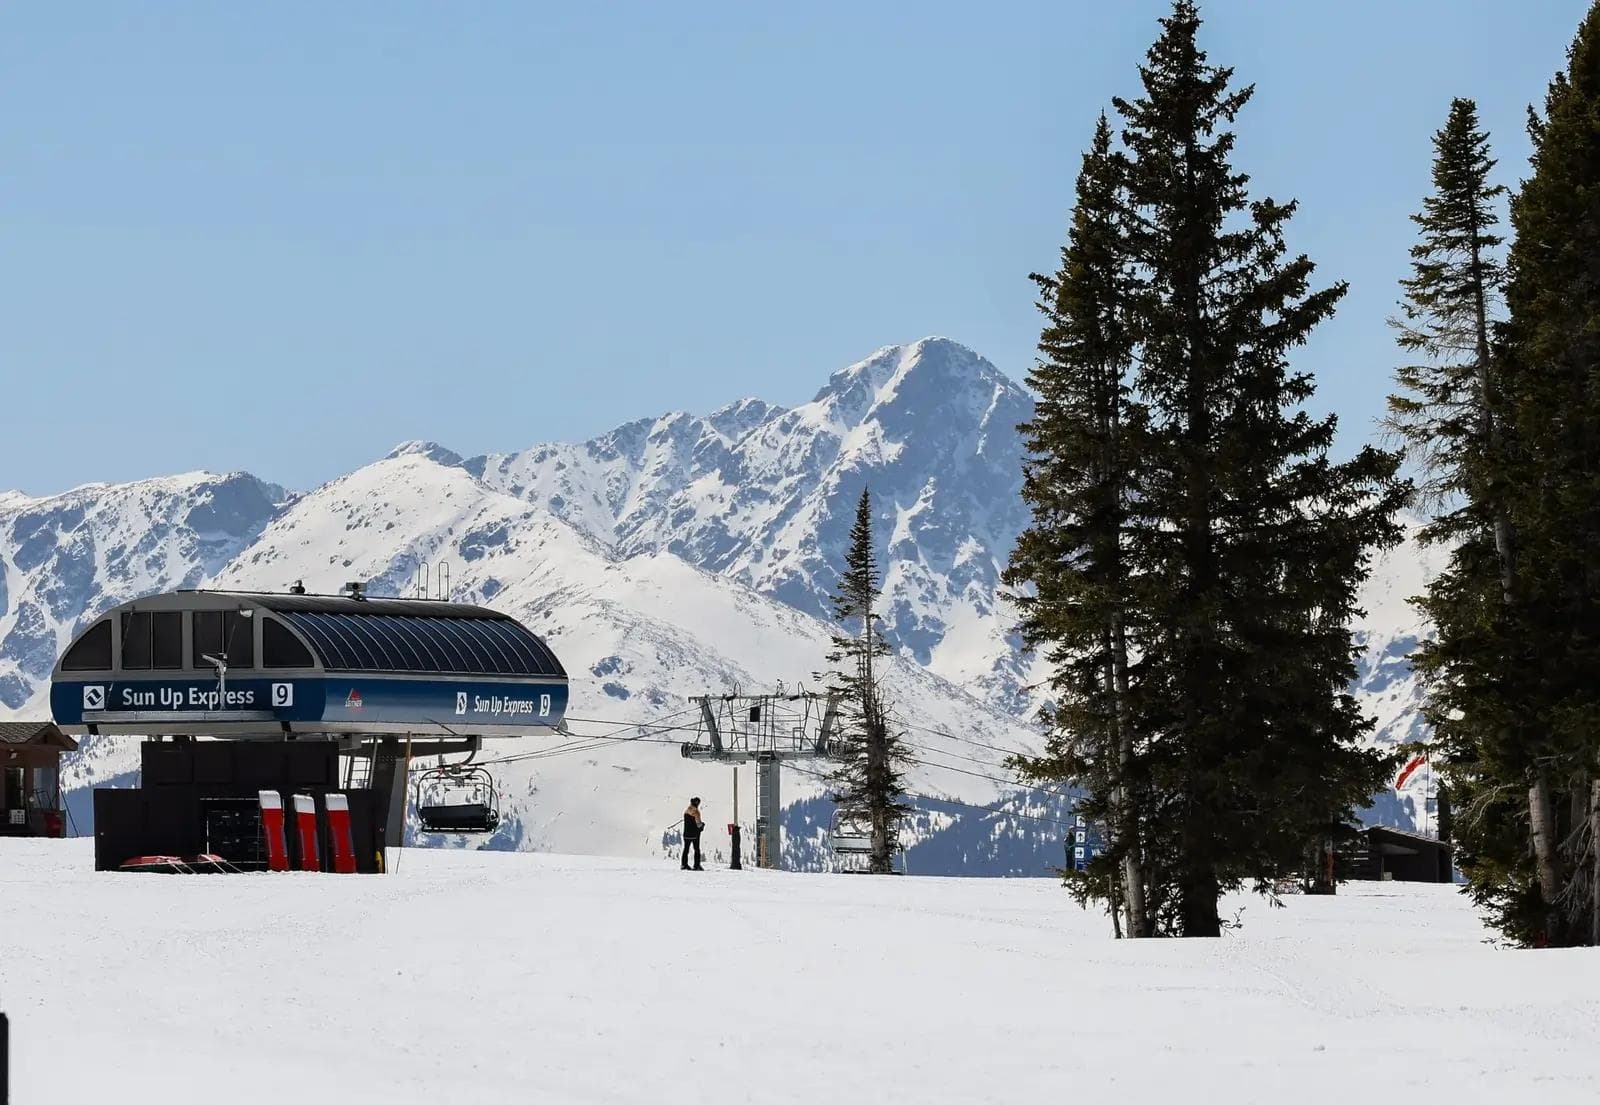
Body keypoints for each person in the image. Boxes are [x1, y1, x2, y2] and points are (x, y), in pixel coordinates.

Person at [681, 797, 705, 870]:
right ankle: (696, 865)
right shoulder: (696, 812)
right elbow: (698, 824)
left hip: (686, 834)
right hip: (695, 834)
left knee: (686, 849)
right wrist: (702, 825)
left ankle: (684, 865)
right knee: (697, 849)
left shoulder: (686, 811)